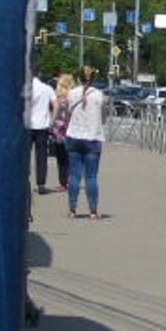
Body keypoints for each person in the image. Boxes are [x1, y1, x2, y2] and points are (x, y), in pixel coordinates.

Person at [64, 66, 107, 219]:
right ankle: (93, 211)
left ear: (79, 78)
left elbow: (67, 113)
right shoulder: (99, 95)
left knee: (74, 175)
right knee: (91, 177)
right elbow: (103, 118)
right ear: (93, 79)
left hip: (74, 137)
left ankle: (72, 210)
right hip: (93, 139)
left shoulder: (71, 93)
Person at [26, 74, 56, 194]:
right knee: (42, 155)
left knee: (25, 155)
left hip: (28, 125)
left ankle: (24, 179)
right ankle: (41, 183)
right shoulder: (47, 88)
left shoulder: (26, 87)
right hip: (43, 126)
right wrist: (52, 121)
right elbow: (56, 104)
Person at [49, 72, 76, 190]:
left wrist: (51, 125)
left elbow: (55, 113)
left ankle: (63, 182)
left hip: (59, 130)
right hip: (71, 130)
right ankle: (70, 180)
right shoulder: (73, 97)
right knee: (70, 157)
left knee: (61, 158)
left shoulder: (59, 99)